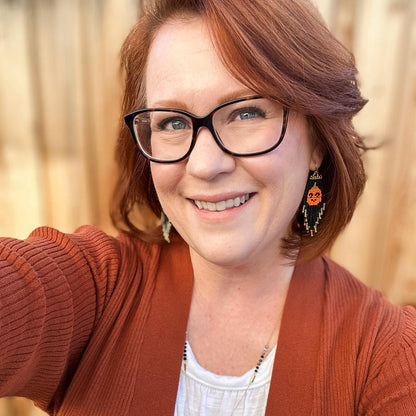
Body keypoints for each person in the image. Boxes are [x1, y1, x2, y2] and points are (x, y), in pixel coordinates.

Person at [1, 0, 415, 415]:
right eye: (172, 122)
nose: (204, 164)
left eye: (246, 112)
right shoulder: (95, 287)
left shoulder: (386, 355)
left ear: (318, 143)